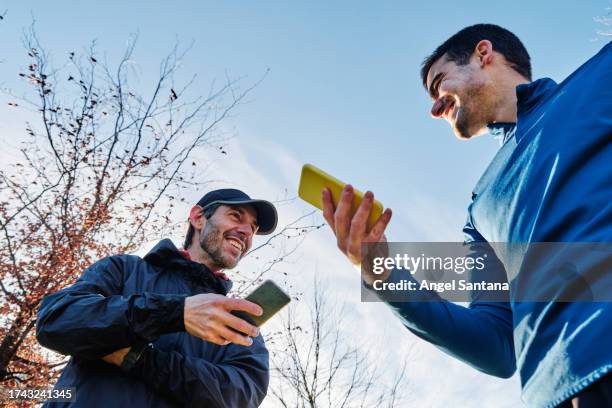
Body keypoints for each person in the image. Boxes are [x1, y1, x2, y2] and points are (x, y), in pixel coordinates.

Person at [321, 24, 612, 408]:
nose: (434, 108)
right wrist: (383, 274)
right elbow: (495, 344)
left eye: (439, 82)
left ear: (483, 53)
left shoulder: (597, 79)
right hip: (559, 394)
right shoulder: (481, 205)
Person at [36, 188, 278, 407]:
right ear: (198, 217)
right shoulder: (125, 269)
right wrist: (174, 312)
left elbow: (239, 398)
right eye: (236, 216)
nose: (247, 231)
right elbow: (56, 320)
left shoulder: (239, 323)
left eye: (253, 228)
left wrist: (140, 359)